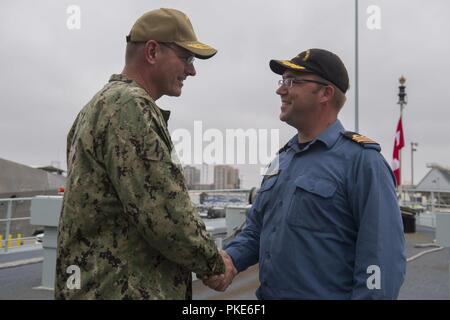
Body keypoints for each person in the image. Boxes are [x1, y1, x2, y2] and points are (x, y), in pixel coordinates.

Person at [55, 8, 235, 300]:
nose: (192, 70)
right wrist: (213, 264)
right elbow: (165, 213)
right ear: (152, 51)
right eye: (186, 58)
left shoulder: (95, 107)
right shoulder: (130, 107)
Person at [204, 48, 406, 299]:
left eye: (293, 82)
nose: (281, 90)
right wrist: (231, 260)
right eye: (282, 81)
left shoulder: (363, 162)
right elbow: (256, 229)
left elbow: (381, 259)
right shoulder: (283, 159)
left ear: (325, 93)